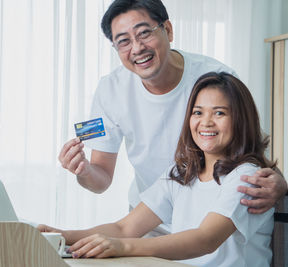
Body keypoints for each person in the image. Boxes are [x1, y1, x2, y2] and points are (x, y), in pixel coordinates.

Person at [58, 0, 287, 222]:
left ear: (167, 30)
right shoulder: (110, 90)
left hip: (212, 215)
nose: (137, 48)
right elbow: (101, 179)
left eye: (144, 33)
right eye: (124, 41)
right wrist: (84, 171)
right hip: (148, 218)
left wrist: (280, 182)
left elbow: (251, 149)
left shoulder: (216, 79)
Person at [41, 72, 275, 266]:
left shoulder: (249, 177)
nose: (206, 122)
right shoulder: (183, 173)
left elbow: (205, 239)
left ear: (241, 119)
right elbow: (124, 228)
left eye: (219, 113)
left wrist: (121, 246)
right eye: (198, 112)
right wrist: (58, 234)